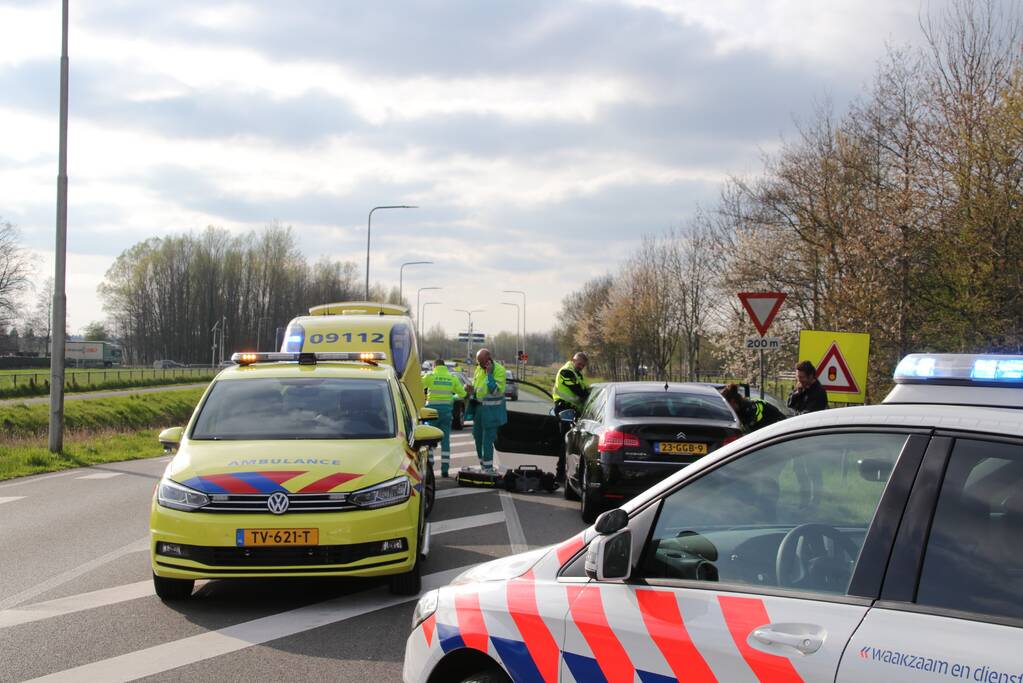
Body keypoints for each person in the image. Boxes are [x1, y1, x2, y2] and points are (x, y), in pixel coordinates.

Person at [421, 357, 467, 477]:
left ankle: (430, 466)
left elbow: (418, 387)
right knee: (445, 441)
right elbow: (463, 394)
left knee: (428, 439)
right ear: (444, 366)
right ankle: (445, 470)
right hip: (446, 412)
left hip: (431, 413)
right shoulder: (452, 378)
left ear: (434, 366)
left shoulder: (430, 376)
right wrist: (452, 398)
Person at [551, 352, 590, 482]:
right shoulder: (566, 372)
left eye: (583, 365)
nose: (580, 367)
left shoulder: (577, 374)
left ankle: (569, 473)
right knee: (566, 443)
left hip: (572, 411)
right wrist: (587, 394)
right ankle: (560, 474)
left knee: (571, 444)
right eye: (579, 364)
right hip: (564, 409)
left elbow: (583, 391)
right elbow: (579, 391)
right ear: (572, 360)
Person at [470, 348, 507, 473]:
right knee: (477, 438)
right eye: (478, 362)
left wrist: (489, 374)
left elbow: (495, 391)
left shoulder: (500, 370)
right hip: (479, 409)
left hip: (492, 411)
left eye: (481, 362)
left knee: (487, 441)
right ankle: (483, 466)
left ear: (488, 359)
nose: (479, 365)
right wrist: (470, 390)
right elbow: (477, 389)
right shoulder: (478, 369)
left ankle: (489, 469)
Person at [720, 383, 785, 433]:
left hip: (778, 424)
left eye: (725, 404)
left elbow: (749, 434)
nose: (724, 408)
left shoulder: (748, 410)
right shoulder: (740, 408)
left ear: (732, 401)